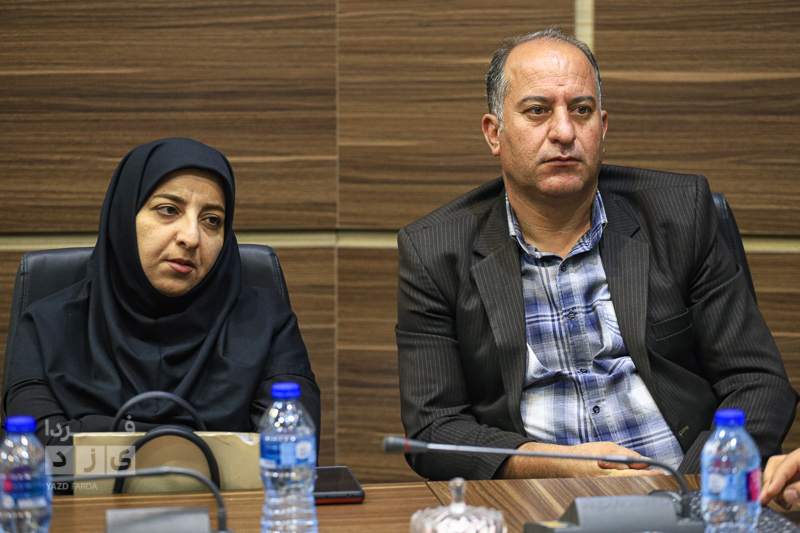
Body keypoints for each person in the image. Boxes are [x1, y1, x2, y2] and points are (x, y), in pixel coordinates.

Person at [396, 29, 797, 481]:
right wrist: (554, 465)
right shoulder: (435, 251)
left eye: (581, 110)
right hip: (542, 495)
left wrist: (687, 487)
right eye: (537, 110)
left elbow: (758, 384)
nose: (564, 132)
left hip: (687, 481)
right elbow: (434, 429)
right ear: (495, 133)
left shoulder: (680, 214)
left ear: (602, 128)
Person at [3, 137, 320, 448]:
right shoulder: (45, 328)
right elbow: (42, 455)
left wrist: (90, 430)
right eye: (168, 210)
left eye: (212, 220)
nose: (192, 237)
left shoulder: (267, 325)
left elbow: (290, 451)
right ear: (124, 216)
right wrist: (209, 442)